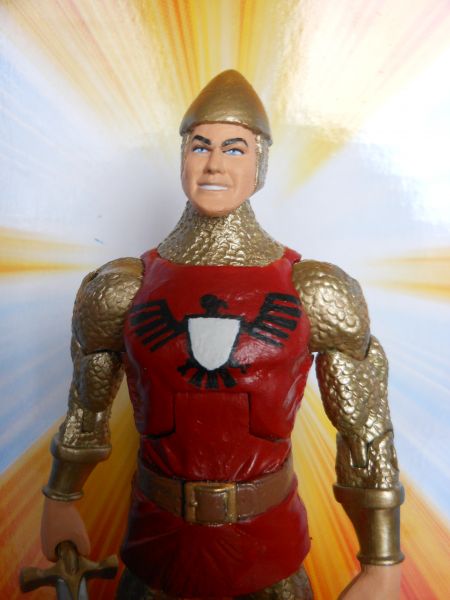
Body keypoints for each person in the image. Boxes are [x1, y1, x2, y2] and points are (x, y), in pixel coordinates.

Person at [40, 70, 404, 599]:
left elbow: (364, 427)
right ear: (182, 158)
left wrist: (381, 560)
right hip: (157, 544)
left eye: (234, 148)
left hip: (270, 551)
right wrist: (60, 498)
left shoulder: (316, 289)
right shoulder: (122, 288)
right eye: (200, 146)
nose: (214, 164)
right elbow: (87, 409)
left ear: (260, 163)